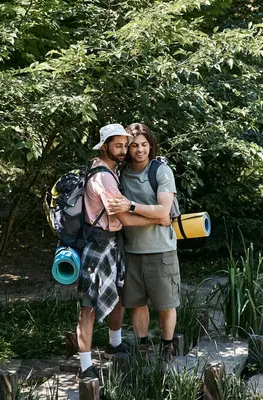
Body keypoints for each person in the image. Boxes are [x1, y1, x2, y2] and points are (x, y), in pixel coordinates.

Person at [77, 123, 170, 379]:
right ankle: (85, 367)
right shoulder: (104, 177)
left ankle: (114, 344)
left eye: (124, 145)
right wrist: (159, 219)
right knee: (89, 306)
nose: (124, 150)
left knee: (117, 293)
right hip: (99, 245)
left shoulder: (111, 169)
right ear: (105, 145)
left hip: (112, 242)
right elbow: (126, 219)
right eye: (118, 145)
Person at [106, 123, 180, 361]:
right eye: (134, 145)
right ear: (127, 148)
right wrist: (153, 215)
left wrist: (132, 207)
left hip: (161, 249)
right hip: (131, 250)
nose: (140, 150)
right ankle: (143, 347)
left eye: (144, 145)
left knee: (165, 303)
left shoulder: (160, 171)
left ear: (151, 145)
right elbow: (152, 216)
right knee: (137, 303)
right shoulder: (121, 172)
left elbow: (164, 211)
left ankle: (168, 346)